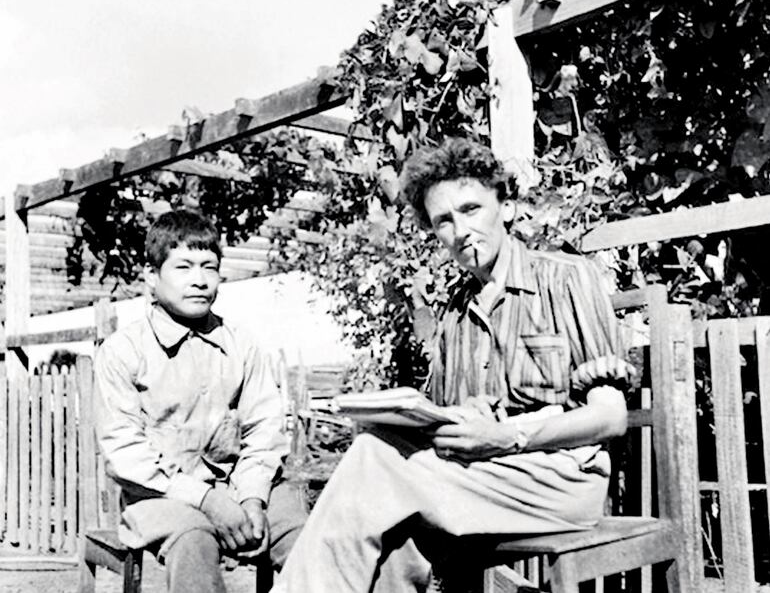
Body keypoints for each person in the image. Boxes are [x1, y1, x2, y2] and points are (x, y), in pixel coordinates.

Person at [271, 138, 633, 593]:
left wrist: (509, 435)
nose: (461, 230)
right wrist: (465, 414)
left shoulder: (564, 279)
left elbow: (610, 417)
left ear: (506, 207)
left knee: (372, 464)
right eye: (444, 220)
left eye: (471, 209)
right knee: (391, 529)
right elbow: (456, 429)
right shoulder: (454, 314)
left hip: (561, 481)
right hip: (484, 478)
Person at [94, 209, 306, 593]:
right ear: (151, 277)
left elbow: (265, 429)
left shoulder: (242, 345)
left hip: (239, 487)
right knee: (194, 540)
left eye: (210, 267)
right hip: (157, 495)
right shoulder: (122, 351)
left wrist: (253, 496)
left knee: (305, 537)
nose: (199, 280)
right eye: (183, 267)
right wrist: (206, 499)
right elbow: (125, 452)